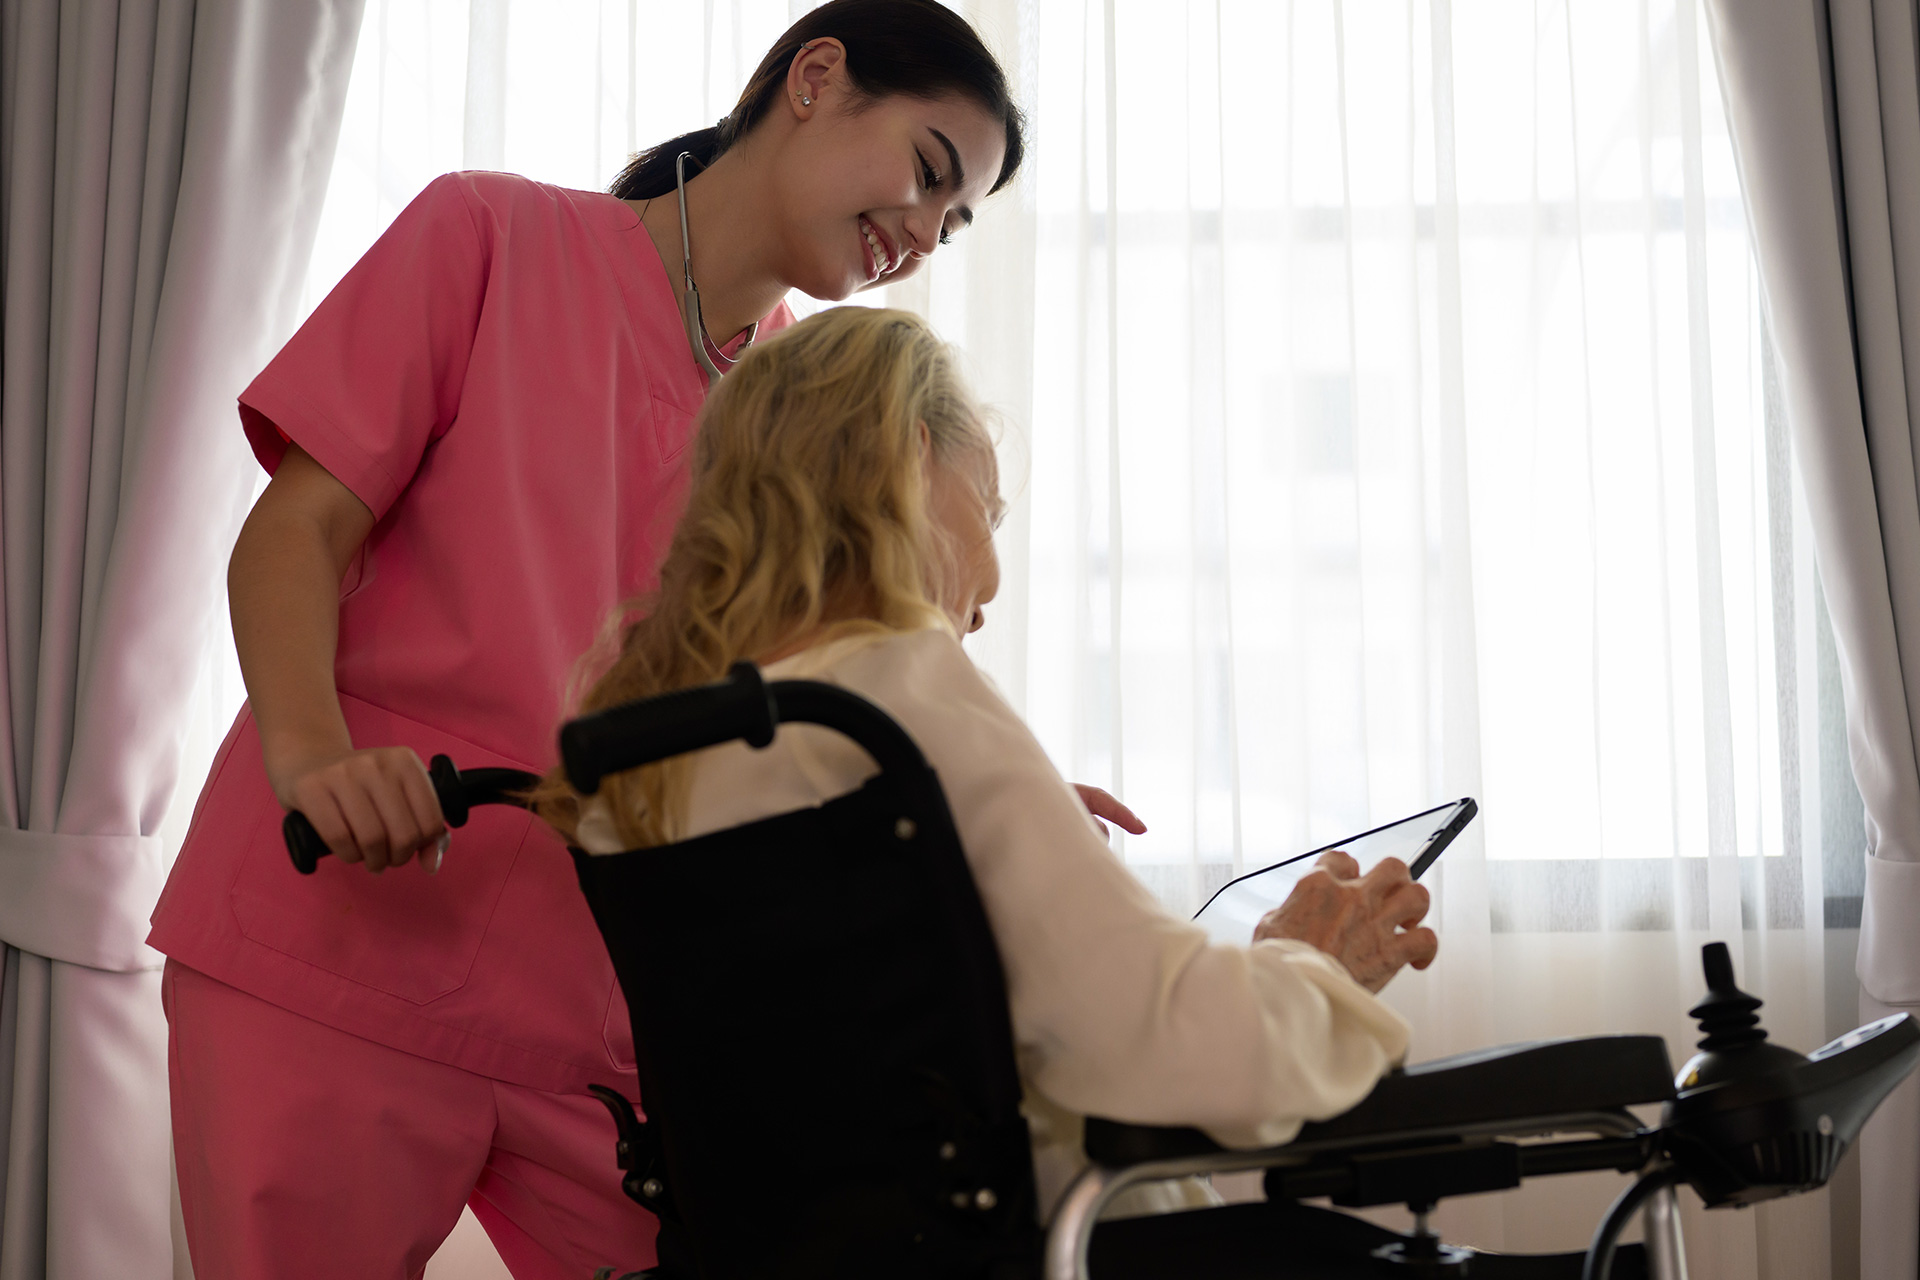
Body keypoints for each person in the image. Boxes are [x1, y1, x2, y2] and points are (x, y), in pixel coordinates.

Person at [146, 4, 1074, 1277]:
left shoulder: (804, 412)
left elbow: (803, 698)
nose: (923, 235)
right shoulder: (488, 234)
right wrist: (311, 760)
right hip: (335, 942)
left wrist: (969, 798)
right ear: (816, 79)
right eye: (927, 171)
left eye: (953, 222)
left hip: (605, 1008)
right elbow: (293, 532)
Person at [552, 305, 1439, 1231]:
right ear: (905, 462)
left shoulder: (648, 763)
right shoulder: (899, 689)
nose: (990, 587)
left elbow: (890, 1058)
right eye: (987, 507)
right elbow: (1164, 1045)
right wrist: (1314, 964)